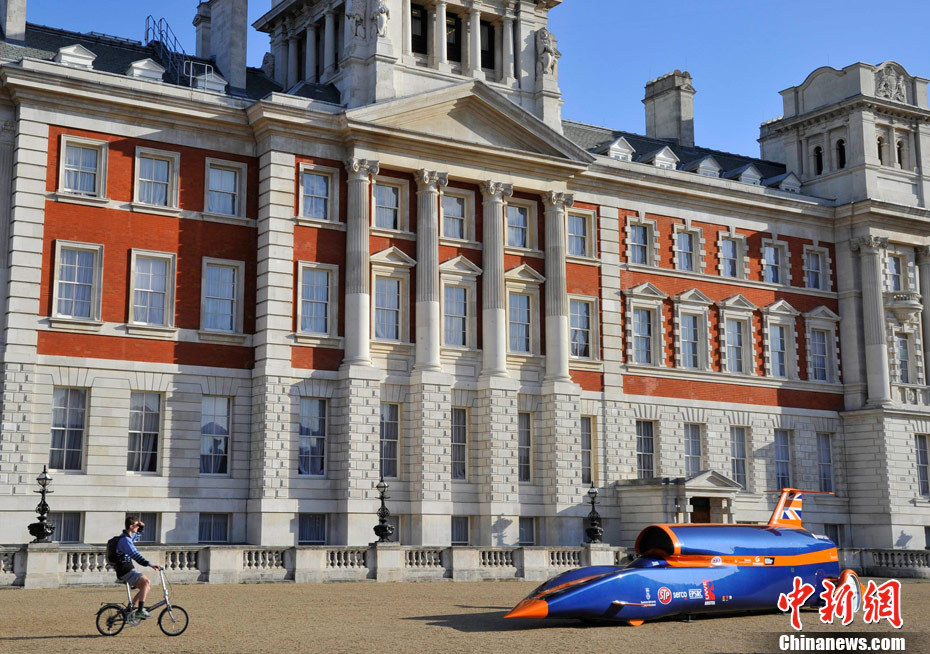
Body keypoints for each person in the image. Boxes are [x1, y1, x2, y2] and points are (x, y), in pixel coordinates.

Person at [115, 516, 161, 619]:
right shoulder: (125, 540)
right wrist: (150, 564)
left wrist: (141, 527)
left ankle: (130, 608)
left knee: (146, 587)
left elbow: (136, 535)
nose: (137, 527)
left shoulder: (127, 536)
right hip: (125, 570)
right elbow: (136, 555)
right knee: (146, 582)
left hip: (127, 569)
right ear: (131, 526)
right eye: (136, 525)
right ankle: (140, 611)